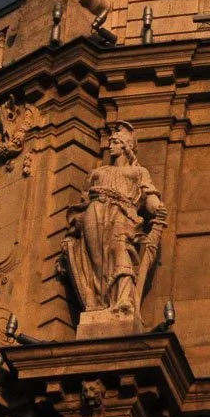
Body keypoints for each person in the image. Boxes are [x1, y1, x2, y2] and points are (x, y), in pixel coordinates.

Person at [62, 122, 167, 319]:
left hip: (123, 214)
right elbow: (84, 200)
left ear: (126, 146)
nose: (111, 146)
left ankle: (123, 300)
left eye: (116, 142)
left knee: (120, 249)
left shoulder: (138, 172)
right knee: (96, 259)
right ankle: (102, 302)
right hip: (94, 211)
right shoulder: (97, 173)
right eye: (111, 142)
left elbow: (149, 195)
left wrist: (158, 209)